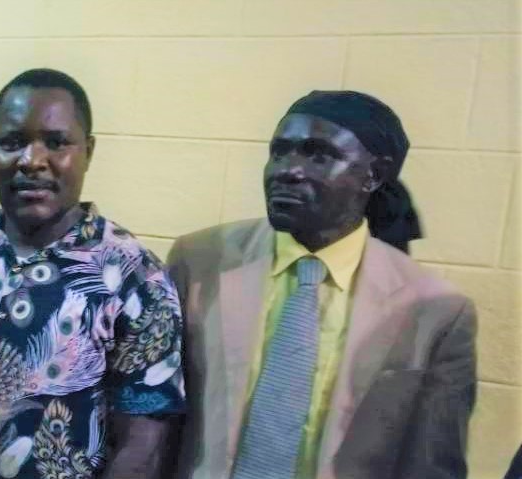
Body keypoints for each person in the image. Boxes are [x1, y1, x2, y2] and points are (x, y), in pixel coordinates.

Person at [168, 90, 477, 479]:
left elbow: (432, 465)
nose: (287, 169)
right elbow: (156, 420)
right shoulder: (199, 261)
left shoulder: (434, 310)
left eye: (318, 155)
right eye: (279, 151)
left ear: (374, 175)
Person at [0, 68, 186, 479]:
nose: (32, 161)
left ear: (88, 150)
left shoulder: (136, 279)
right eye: (12, 142)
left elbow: (142, 444)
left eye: (56, 143)